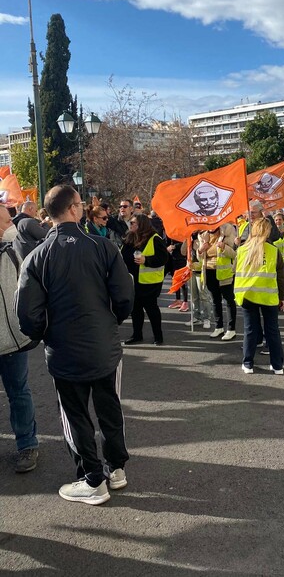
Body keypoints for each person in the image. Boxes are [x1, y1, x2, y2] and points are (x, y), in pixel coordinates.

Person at [16, 185, 134, 505]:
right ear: (72, 209)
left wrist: (45, 334)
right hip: (104, 346)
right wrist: (110, 322)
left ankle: (93, 477)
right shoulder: (101, 247)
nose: (82, 208)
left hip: (65, 350)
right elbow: (125, 295)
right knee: (109, 408)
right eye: (80, 205)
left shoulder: (38, 256)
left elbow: (27, 313)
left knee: (75, 414)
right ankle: (115, 469)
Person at [0, 205, 39, 473]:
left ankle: (27, 445)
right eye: (4, 221)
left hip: (13, 339)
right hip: (12, 336)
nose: (10, 224)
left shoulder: (15, 249)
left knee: (19, 393)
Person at [234, 218, 284, 374]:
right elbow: (281, 277)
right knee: (272, 331)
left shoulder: (242, 250)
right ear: (268, 231)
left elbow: (235, 270)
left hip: (248, 295)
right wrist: (282, 298)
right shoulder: (273, 250)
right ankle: (277, 366)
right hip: (268, 296)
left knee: (250, 330)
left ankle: (248, 363)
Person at [121, 214, 169, 345]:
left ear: (141, 224)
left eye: (133, 223)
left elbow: (164, 258)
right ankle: (137, 335)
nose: (130, 225)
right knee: (135, 309)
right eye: (130, 223)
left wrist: (146, 260)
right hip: (133, 280)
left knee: (151, 309)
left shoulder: (154, 238)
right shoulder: (129, 237)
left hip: (149, 282)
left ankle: (158, 336)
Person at [200, 223, 237, 340]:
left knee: (229, 300)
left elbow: (234, 254)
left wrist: (224, 248)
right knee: (215, 300)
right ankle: (218, 327)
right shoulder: (203, 235)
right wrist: (200, 250)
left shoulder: (227, 230)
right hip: (209, 271)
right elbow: (201, 256)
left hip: (224, 272)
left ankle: (231, 329)